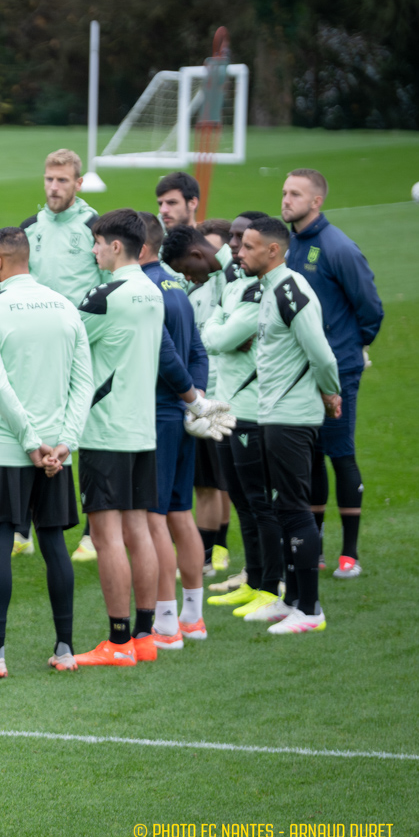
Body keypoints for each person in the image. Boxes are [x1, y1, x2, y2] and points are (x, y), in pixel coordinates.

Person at [0, 227, 91, 678]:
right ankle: (65, 649)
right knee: (54, 544)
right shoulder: (66, 307)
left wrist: (31, 442)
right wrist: (64, 443)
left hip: (5, 446)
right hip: (57, 451)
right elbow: (83, 384)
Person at [70, 209, 166, 667]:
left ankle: (117, 642)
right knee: (139, 530)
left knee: (107, 536)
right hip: (142, 429)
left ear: (114, 245)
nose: (93, 251)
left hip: (105, 429)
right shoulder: (153, 292)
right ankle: (144, 638)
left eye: (96, 242)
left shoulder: (105, 295)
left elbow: (66, 340)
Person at [239, 216, 343, 633]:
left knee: (296, 510)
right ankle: (292, 601)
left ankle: (311, 610)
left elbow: (322, 354)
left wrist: (331, 392)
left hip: (291, 418)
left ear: (273, 250)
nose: (240, 253)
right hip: (273, 415)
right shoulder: (269, 289)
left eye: (248, 247)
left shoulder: (291, 290)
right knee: (282, 508)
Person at [281, 169, 383, 579]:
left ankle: (350, 554)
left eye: (295, 194)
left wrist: (351, 349)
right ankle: (317, 545)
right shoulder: (288, 245)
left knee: (340, 453)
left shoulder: (338, 247)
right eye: (285, 192)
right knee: (310, 454)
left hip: (337, 370)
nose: (286, 200)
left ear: (316, 201)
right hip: (299, 370)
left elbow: (370, 307)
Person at [198, 228, 287, 619]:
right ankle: (253, 579)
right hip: (224, 406)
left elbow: (218, 339)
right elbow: (213, 332)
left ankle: (271, 586)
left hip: (249, 411)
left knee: (258, 501)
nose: (234, 246)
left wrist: (220, 325)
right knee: (240, 499)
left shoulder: (258, 291)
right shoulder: (233, 285)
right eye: (233, 238)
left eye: (242, 240)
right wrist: (220, 323)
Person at [20, 149, 102, 560]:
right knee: (31, 429)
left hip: (83, 349)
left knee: (86, 435)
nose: (54, 188)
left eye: (63, 180)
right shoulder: (30, 228)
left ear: (78, 183)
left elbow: (108, 289)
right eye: (49, 179)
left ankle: (92, 534)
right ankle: (23, 529)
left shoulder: (94, 227)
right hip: (36, 350)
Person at [138, 213, 213, 647]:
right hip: (182, 415)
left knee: (153, 519)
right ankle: (192, 618)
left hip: (158, 415)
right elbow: (198, 350)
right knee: (180, 513)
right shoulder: (177, 287)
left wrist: (186, 396)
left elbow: (166, 357)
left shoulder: (145, 290)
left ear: (138, 247)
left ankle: (165, 623)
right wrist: (196, 396)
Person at [161, 222, 237, 574]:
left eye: (186, 270)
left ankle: (208, 556)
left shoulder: (235, 272)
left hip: (225, 394)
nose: (188, 277)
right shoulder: (208, 280)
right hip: (205, 396)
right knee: (211, 481)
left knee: (216, 484)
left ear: (195, 254)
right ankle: (212, 555)